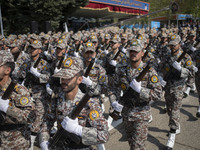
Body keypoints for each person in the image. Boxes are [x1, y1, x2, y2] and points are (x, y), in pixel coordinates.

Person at [39, 57, 109, 150]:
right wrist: (43, 141)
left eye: (68, 77)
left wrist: (79, 130)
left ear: (79, 80)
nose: (63, 80)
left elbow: (104, 135)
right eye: (62, 77)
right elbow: (47, 122)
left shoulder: (90, 103)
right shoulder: (57, 99)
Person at [110, 39, 162, 150]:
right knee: (131, 143)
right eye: (131, 51)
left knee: (138, 146)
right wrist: (114, 101)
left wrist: (141, 90)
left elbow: (158, 93)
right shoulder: (122, 70)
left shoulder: (149, 71)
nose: (133, 53)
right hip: (126, 113)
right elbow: (112, 87)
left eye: (136, 51)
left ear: (142, 53)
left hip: (141, 113)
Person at [158, 34, 194, 149]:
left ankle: (171, 137)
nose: (172, 47)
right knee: (169, 110)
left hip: (178, 88)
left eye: (174, 45)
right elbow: (160, 68)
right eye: (171, 45)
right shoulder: (167, 56)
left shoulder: (186, 57)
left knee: (174, 111)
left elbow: (191, 73)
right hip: (168, 87)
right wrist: (160, 78)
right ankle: (176, 126)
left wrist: (180, 69)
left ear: (179, 44)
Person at [0, 50, 36, 149]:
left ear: (7, 70)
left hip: (16, 143)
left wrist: (7, 109)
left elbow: (31, 117)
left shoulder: (20, 91)